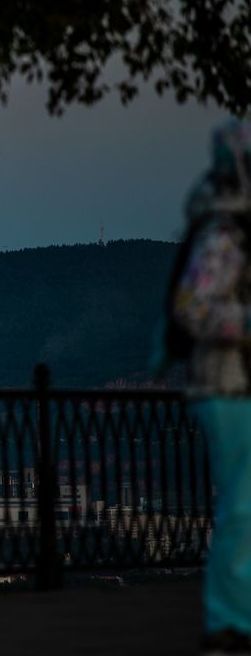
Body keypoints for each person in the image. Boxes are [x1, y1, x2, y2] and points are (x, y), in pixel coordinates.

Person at [170, 120, 251, 656]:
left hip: (233, 386)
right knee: (241, 506)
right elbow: (191, 308)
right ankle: (226, 621)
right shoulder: (225, 235)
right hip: (224, 387)